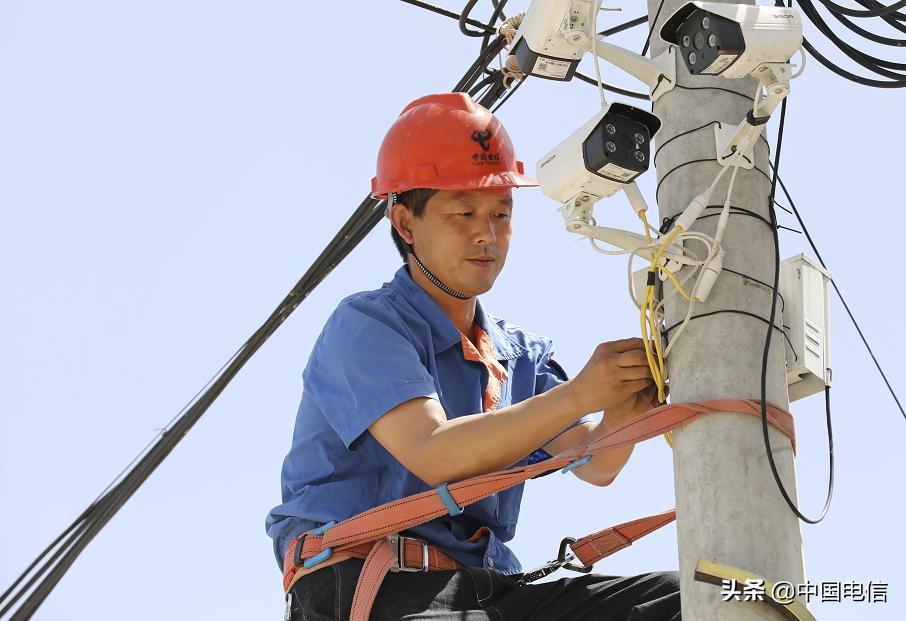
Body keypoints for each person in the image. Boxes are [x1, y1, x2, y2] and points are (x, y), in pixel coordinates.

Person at [266, 93, 681, 620]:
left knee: (683, 602)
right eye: (464, 212)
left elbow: (595, 460)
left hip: (484, 591)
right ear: (405, 223)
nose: (487, 233)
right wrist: (582, 392)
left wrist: (628, 401)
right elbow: (436, 454)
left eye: (501, 214)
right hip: (373, 586)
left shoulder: (518, 354)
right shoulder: (369, 326)